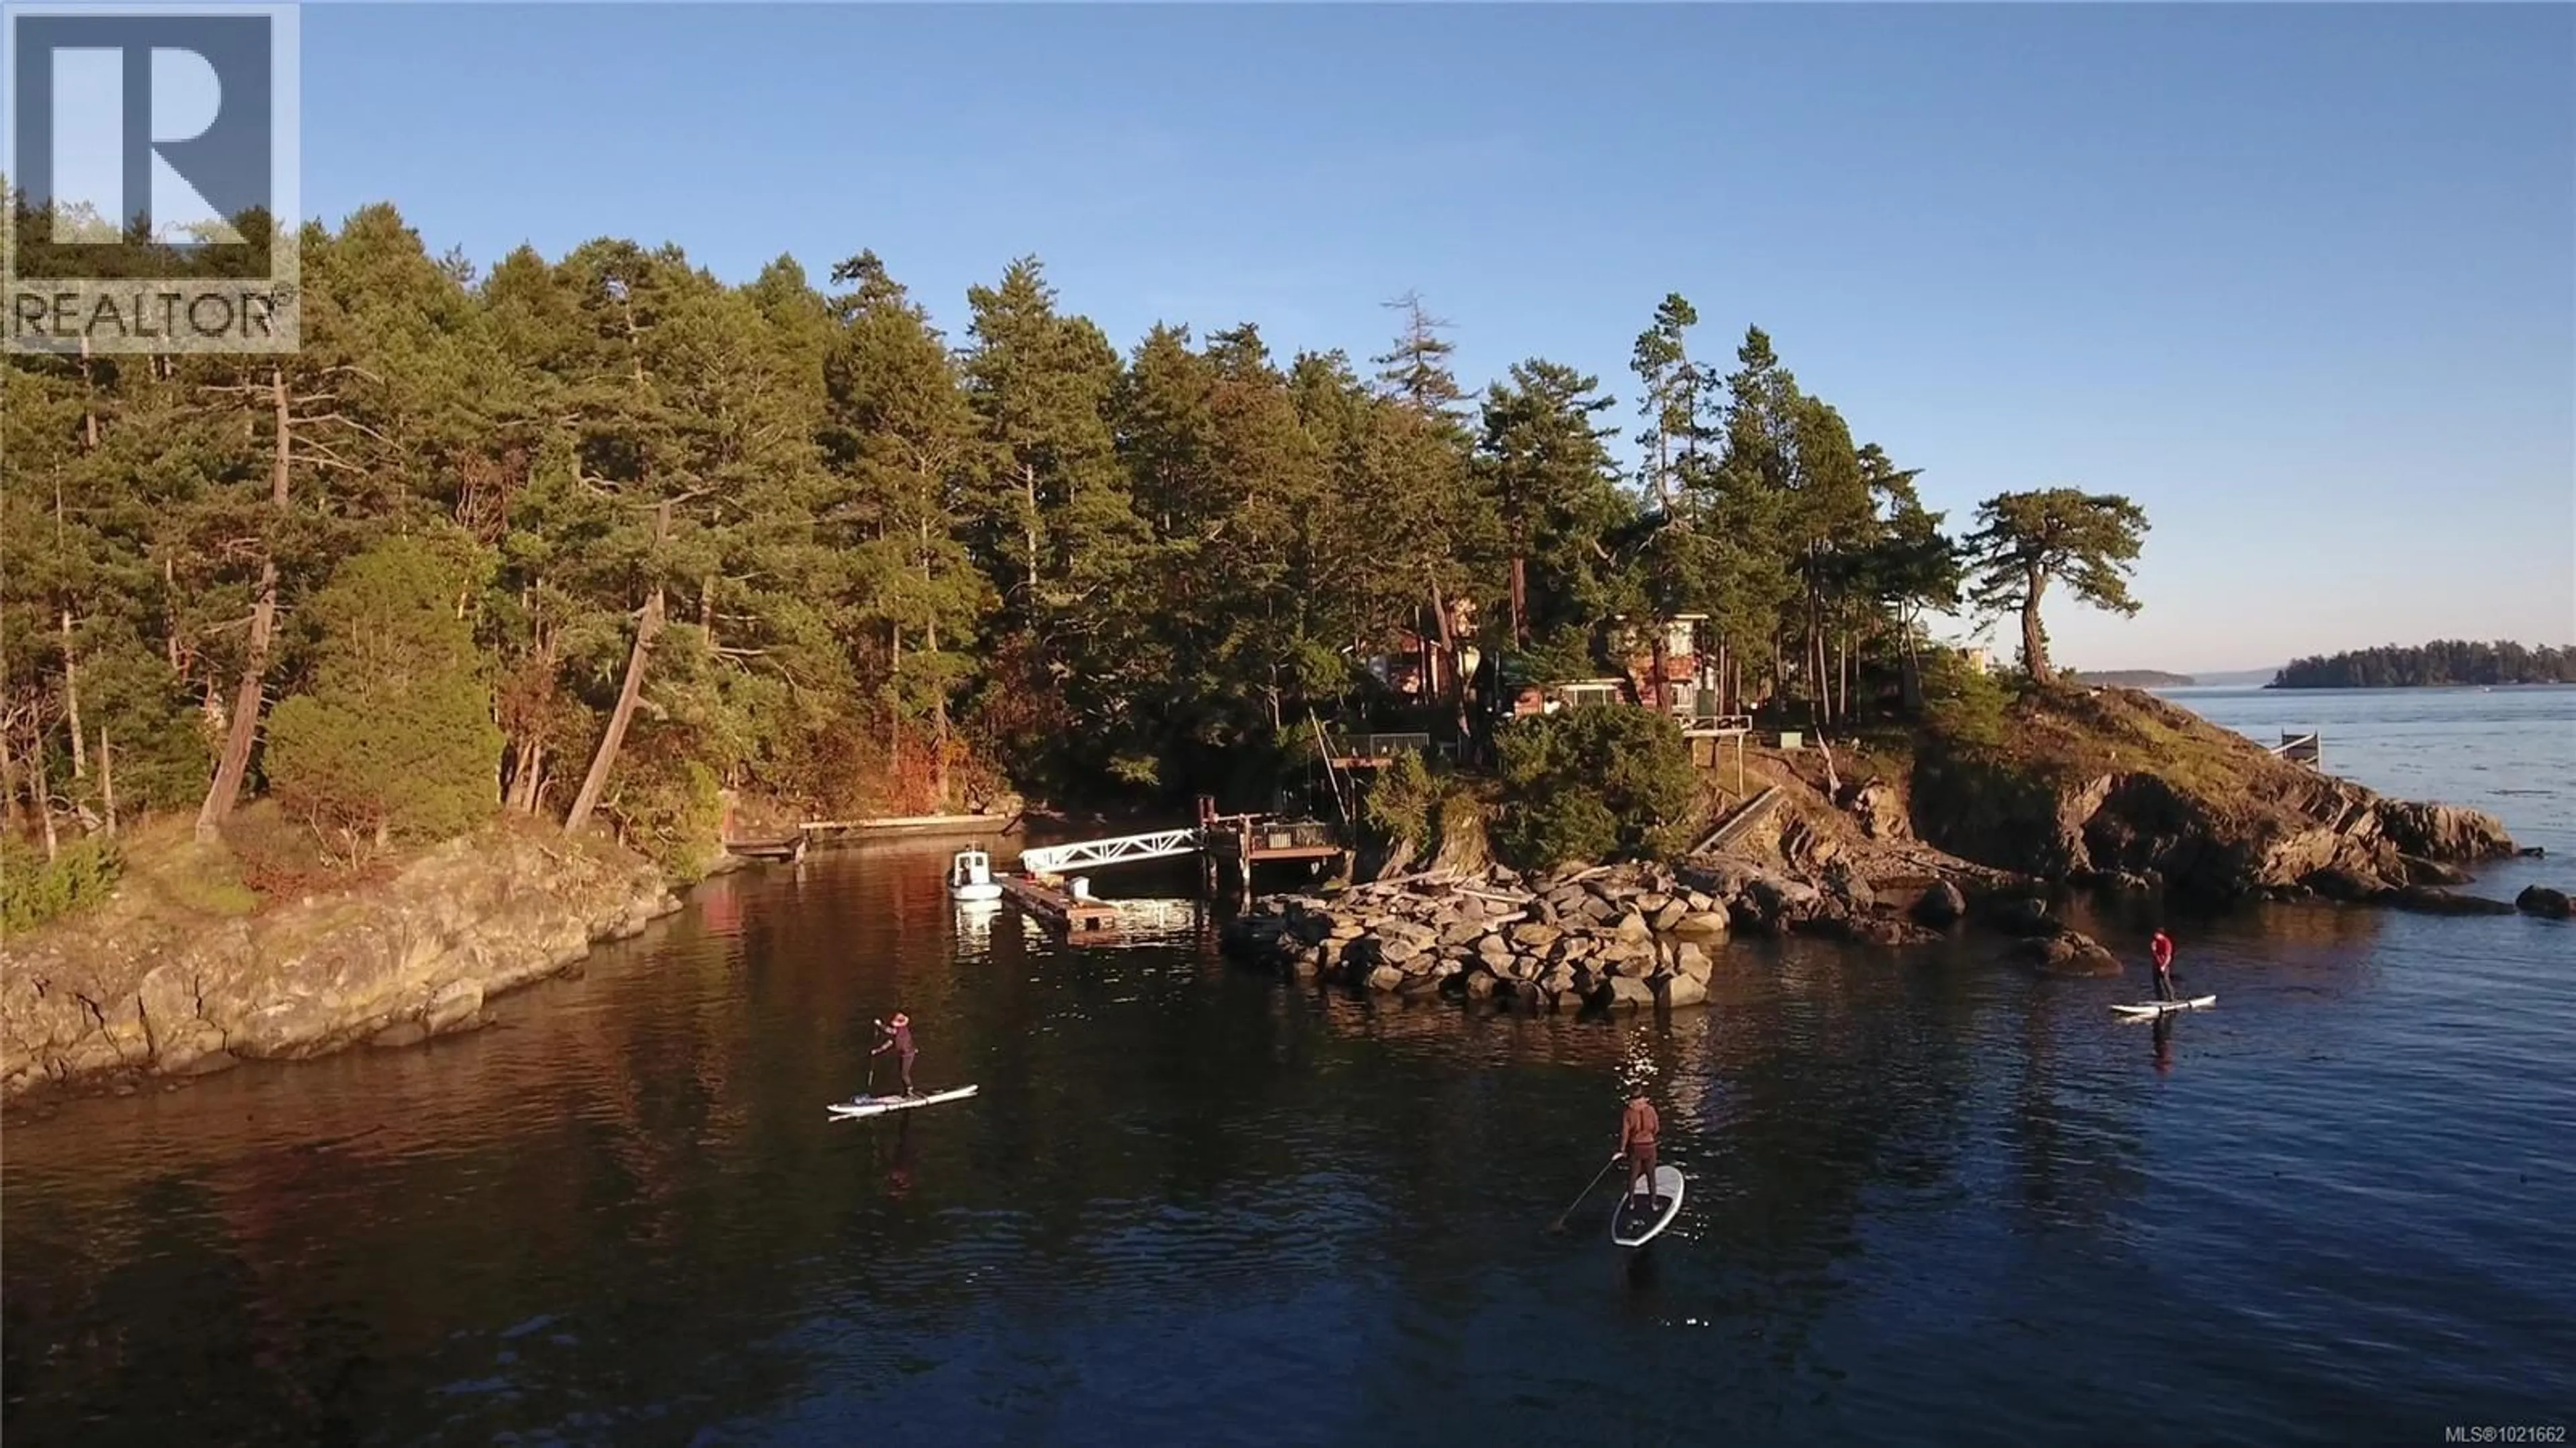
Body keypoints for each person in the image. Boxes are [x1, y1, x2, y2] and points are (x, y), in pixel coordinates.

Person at [1616, 1061, 1660, 1199]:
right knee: (1651, 1176)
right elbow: (1656, 1128)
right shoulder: (1651, 1110)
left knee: (1633, 1176)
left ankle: (1631, 1202)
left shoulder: (1628, 1112)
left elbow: (1625, 1133)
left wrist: (1622, 1150)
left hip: (1636, 1147)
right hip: (1650, 1145)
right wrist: (1651, 1137)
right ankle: (1653, 1203)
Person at [872, 1012, 918, 1096]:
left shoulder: (901, 1030)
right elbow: (889, 1043)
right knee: (901, 1073)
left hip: (908, 1055)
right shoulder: (897, 1032)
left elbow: (888, 1030)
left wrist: (880, 1025)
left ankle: (910, 1090)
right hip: (903, 1054)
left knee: (904, 1074)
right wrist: (877, 1051)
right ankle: (906, 1091)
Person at [2150, 928, 2178, 1003]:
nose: (2155, 936)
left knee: (2166, 981)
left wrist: (2164, 966)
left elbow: (2168, 956)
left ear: (2161, 935)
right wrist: (2153, 949)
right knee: (2156, 982)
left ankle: (2172, 998)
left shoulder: (2167, 943)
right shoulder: (2155, 942)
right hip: (2156, 965)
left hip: (2164, 965)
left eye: (2157, 934)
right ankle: (2160, 998)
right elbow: (2155, 954)